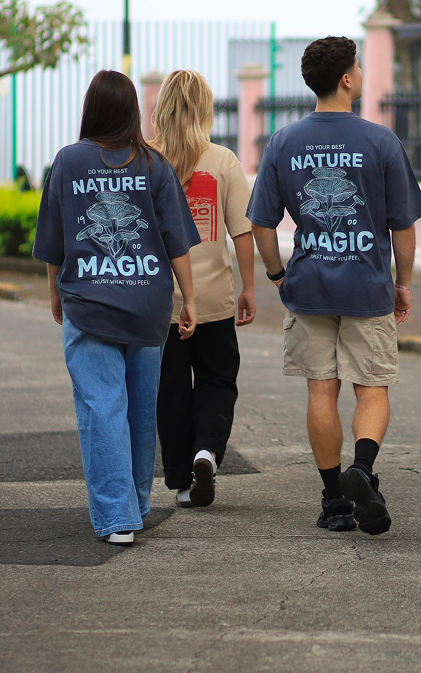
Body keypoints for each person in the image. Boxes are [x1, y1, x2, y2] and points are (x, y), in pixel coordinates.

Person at [248, 36, 421, 535]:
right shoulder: (380, 140)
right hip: (367, 285)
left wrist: (276, 273)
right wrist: (404, 283)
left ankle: (334, 502)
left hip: (309, 286)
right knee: (372, 387)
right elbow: (404, 225)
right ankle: (363, 471)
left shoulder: (284, 141)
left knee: (320, 392)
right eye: (359, 66)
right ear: (346, 79)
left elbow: (261, 222)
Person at [33, 70, 200, 544]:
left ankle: (118, 517)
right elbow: (177, 242)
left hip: (89, 304)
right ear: (132, 111)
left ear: (91, 108)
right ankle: (137, 504)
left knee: (102, 405)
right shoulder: (155, 165)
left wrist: (54, 293)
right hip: (148, 304)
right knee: (141, 408)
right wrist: (189, 299)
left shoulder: (68, 162)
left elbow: (54, 241)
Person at [151, 69, 256, 508]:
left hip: (159, 302)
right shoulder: (223, 160)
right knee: (217, 379)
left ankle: (180, 480)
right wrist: (249, 286)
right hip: (212, 299)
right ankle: (206, 451)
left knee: (170, 389)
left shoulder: (146, 158)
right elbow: (243, 231)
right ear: (206, 109)